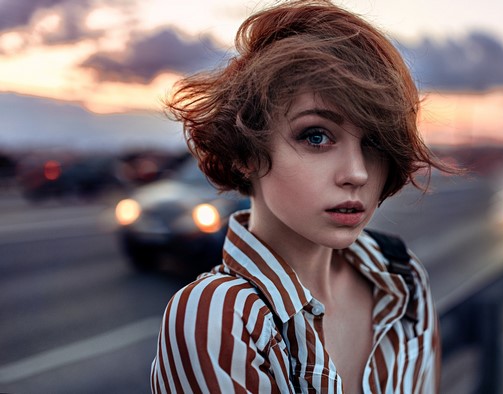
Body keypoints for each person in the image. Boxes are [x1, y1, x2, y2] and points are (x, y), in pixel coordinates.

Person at [151, 1, 455, 392]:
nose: (357, 173)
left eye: (375, 143)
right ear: (246, 153)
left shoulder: (401, 277)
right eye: (316, 136)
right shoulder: (215, 316)